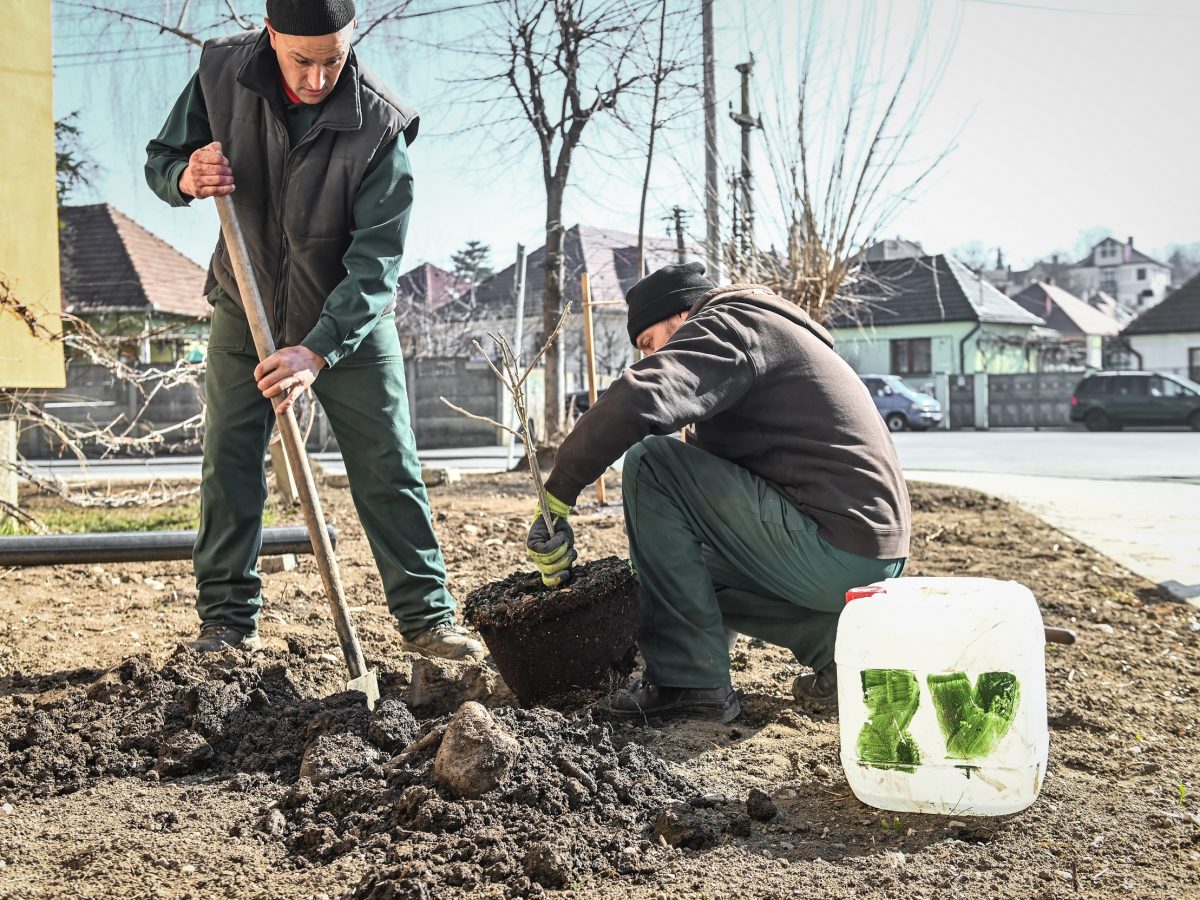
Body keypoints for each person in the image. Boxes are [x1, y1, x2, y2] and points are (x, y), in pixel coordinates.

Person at [145, 0, 482, 661]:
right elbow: (162, 159)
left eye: (335, 59)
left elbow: (377, 264)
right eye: (302, 60)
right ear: (270, 36)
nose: (319, 77)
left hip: (347, 322)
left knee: (388, 464)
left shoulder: (380, 124)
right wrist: (184, 176)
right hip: (247, 306)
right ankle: (226, 626)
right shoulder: (221, 73)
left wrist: (318, 348)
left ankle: (428, 621)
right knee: (231, 465)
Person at [526, 263, 910, 723]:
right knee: (688, 567)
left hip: (836, 546)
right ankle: (841, 655)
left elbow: (640, 397)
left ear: (684, 317)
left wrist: (558, 491)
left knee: (653, 462)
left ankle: (688, 683)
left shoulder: (730, 325)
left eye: (650, 344)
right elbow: (701, 529)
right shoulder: (764, 338)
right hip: (867, 553)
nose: (648, 359)